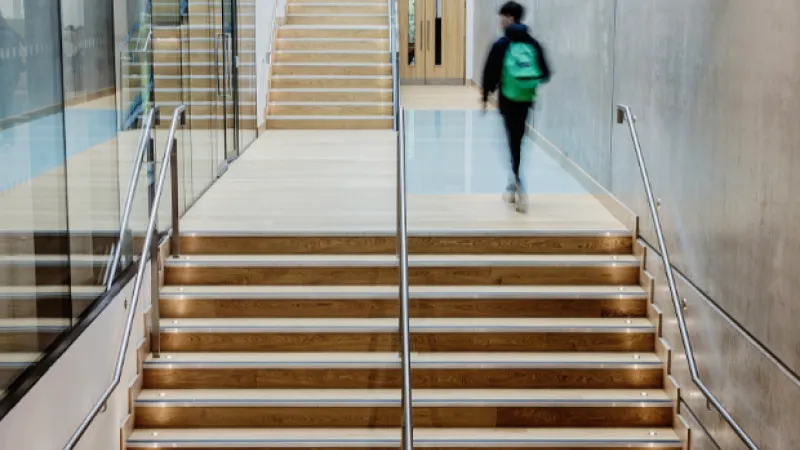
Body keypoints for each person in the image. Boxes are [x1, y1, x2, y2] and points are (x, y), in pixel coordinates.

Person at [481, 1, 551, 213]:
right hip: (526, 99)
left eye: (504, 16)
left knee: (513, 141)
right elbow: (545, 72)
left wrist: (485, 96)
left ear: (512, 18)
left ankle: (518, 184)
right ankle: (514, 181)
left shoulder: (502, 44)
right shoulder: (533, 43)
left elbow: (489, 73)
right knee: (517, 140)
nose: (501, 20)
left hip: (508, 99)